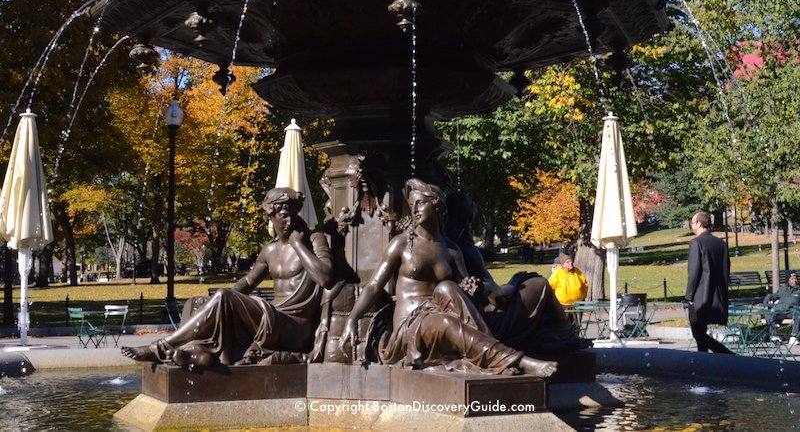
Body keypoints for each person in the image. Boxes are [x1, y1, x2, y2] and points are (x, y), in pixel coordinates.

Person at [340, 179, 557, 377]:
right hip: (412, 325)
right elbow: (374, 286)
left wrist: (473, 289)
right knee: (446, 314)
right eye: (412, 204)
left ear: (438, 207)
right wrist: (352, 318)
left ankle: (496, 357)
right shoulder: (403, 244)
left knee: (448, 289)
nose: (414, 210)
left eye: (420, 204)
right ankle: (519, 360)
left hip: (445, 314)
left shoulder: (452, 250)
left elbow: (465, 293)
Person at [121, 187, 333, 369]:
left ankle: (159, 347)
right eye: (283, 215)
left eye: (292, 214)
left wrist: (298, 244)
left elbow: (325, 277)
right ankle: (197, 353)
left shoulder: (314, 240)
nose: (290, 220)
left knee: (223, 297)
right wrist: (215, 305)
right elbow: (248, 283)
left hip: (293, 327)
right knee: (198, 302)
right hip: (272, 318)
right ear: (271, 216)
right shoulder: (269, 251)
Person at [443, 191, 590, 354]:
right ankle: (564, 336)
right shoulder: (466, 251)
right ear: (467, 219)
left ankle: (550, 337)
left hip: (453, 323)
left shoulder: (438, 248)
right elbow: (497, 297)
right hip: (484, 325)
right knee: (538, 283)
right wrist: (514, 282)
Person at [685, 211, 733, 354]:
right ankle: (703, 361)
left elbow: (694, 272)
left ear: (699, 223)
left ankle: (727, 355)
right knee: (701, 333)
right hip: (717, 294)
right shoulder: (721, 244)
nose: (692, 225)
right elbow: (726, 268)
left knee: (698, 333)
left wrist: (689, 296)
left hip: (700, 296)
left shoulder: (696, 243)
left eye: (693, 222)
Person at [763, 271, 800, 346]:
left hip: (792, 311)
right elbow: (774, 295)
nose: (794, 280)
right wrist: (768, 297)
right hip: (780, 311)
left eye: (795, 278)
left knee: (798, 315)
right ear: (788, 280)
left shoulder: (798, 290)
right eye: (792, 279)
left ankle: (793, 337)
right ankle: (774, 336)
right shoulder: (783, 289)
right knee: (771, 315)